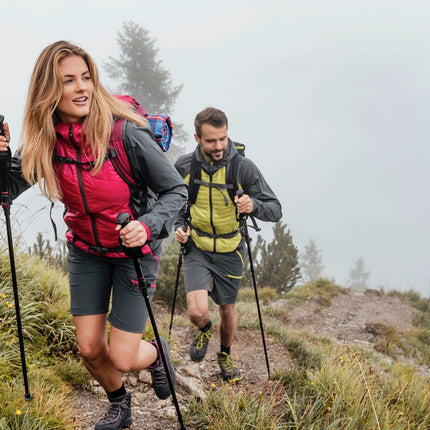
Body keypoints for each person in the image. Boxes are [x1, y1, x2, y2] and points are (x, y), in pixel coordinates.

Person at [0, 40, 188, 430]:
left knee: (121, 355)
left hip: (133, 252)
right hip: (86, 250)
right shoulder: (46, 140)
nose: (82, 87)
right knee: (88, 348)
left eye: (86, 77)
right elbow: (7, 191)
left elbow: (176, 191)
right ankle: (120, 402)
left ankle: (155, 354)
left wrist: (147, 226)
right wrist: (0, 160)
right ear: (49, 90)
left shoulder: (124, 134)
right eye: (69, 81)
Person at [174, 107, 282, 382]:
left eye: (223, 138)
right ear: (198, 138)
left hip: (231, 249)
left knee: (227, 309)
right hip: (197, 246)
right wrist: (178, 226)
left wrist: (253, 204)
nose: (219, 146)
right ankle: (205, 329)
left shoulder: (242, 167)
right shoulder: (186, 166)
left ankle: (224, 354)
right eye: (211, 140)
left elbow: (275, 209)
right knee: (197, 311)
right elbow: (172, 200)